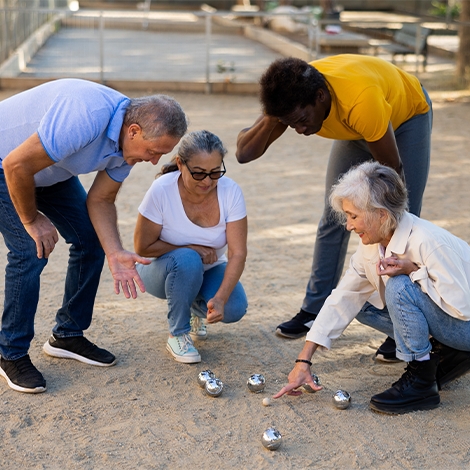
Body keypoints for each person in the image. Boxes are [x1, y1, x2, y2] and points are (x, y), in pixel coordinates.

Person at [236, 54, 433, 362]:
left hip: (405, 117)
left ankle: (403, 326)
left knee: (399, 222)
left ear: (321, 96)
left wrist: (382, 222)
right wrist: (273, 118)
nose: (299, 130)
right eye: (291, 123)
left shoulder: (360, 101)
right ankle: (314, 308)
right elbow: (244, 153)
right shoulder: (294, 97)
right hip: (355, 127)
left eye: (302, 120)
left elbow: (392, 175)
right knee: (334, 215)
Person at [0, 78, 188, 393]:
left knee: (91, 242)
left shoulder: (128, 147)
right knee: (29, 247)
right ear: (134, 132)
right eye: (154, 152)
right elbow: (16, 164)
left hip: (47, 170)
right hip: (6, 165)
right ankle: (10, 353)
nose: (154, 161)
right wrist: (32, 219)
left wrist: (114, 252)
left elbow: (101, 200)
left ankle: (67, 335)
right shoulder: (84, 114)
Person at [274, 161, 470, 414]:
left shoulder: (427, 242)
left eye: (353, 216)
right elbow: (343, 297)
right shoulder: (372, 243)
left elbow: (461, 308)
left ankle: (421, 382)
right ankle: (447, 354)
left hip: (465, 324)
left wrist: (413, 271)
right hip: (450, 325)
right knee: (361, 302)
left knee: (399, 287)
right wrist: (304, 360)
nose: (348, 225)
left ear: (381, 215)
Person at [134, 130, 248, 363]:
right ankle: (177, 333)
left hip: (209, 269)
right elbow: (143, 247)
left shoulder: (230, 191)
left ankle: (194, 308)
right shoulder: (162, 190)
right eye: (198, 173)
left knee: (234, 308)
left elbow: (238, 253)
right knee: (187, 258)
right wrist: (191, 247)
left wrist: (221, 298)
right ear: (180, 164)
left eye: (215, 172)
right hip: (159, 270)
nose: (207, 181)